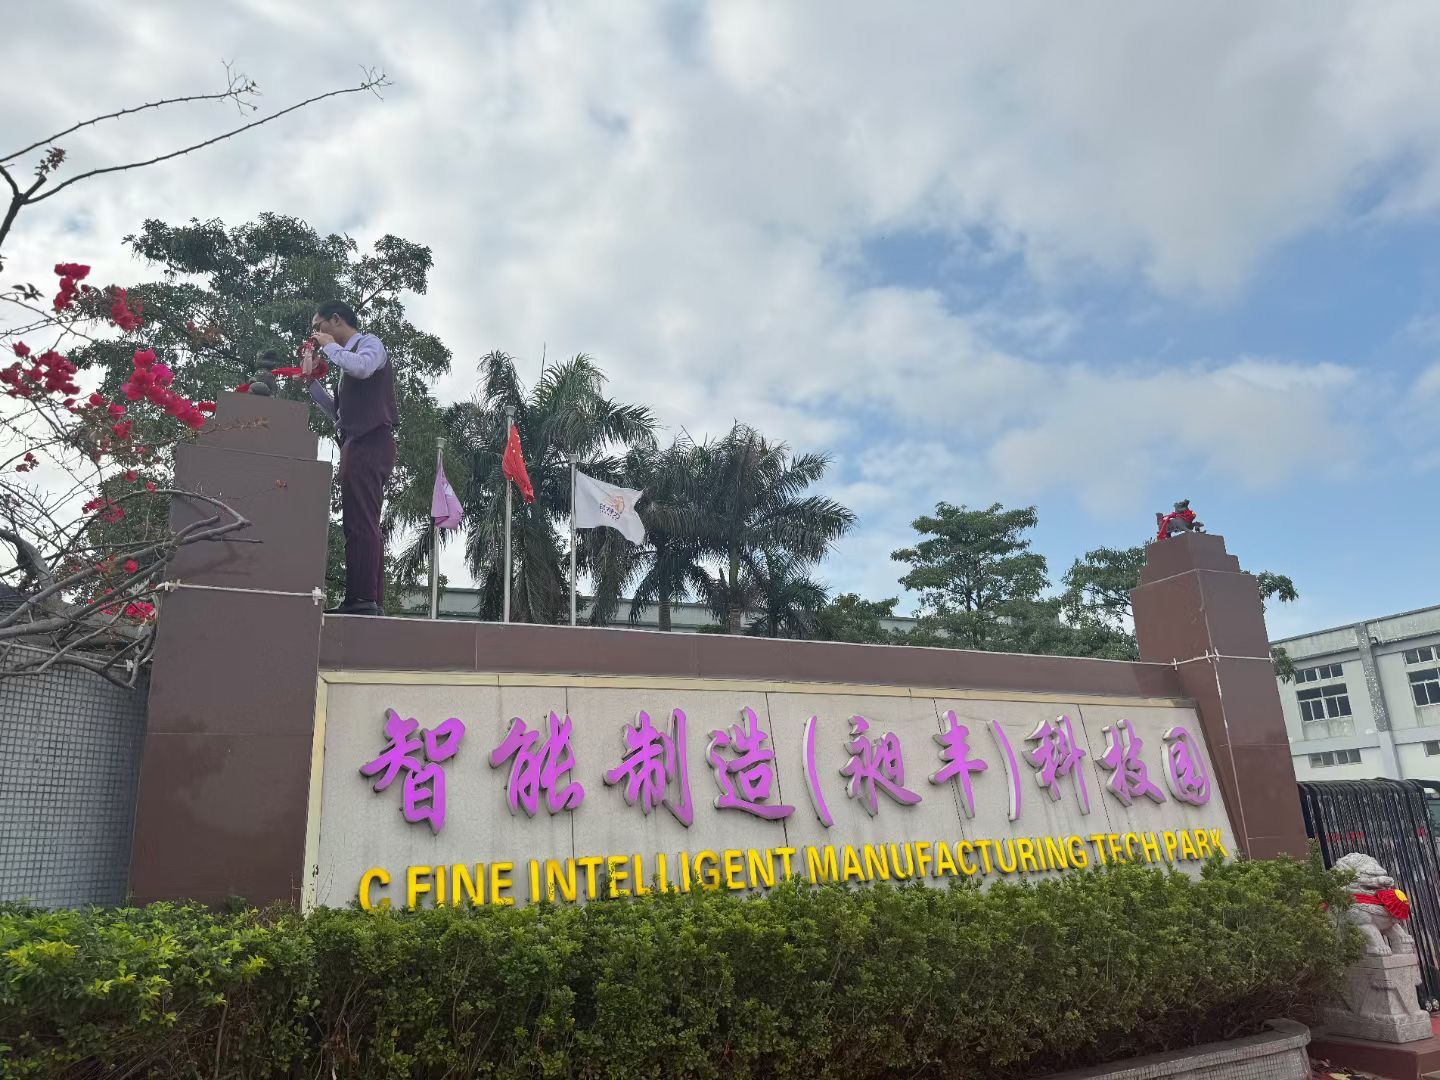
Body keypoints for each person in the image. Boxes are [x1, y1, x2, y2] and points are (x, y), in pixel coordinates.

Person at [306, 300, 398, 616]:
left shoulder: (369, 344)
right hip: (355, 441)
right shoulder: (346, 364)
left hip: (370, 441)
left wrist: (330, 347)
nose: (316, 334)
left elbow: (363, 367)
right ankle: (367, 598)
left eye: (318, 327)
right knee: (360, 520)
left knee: (361, 521)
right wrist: (311, 383)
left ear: (336, 320)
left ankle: (362, 599)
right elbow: (340, 414)